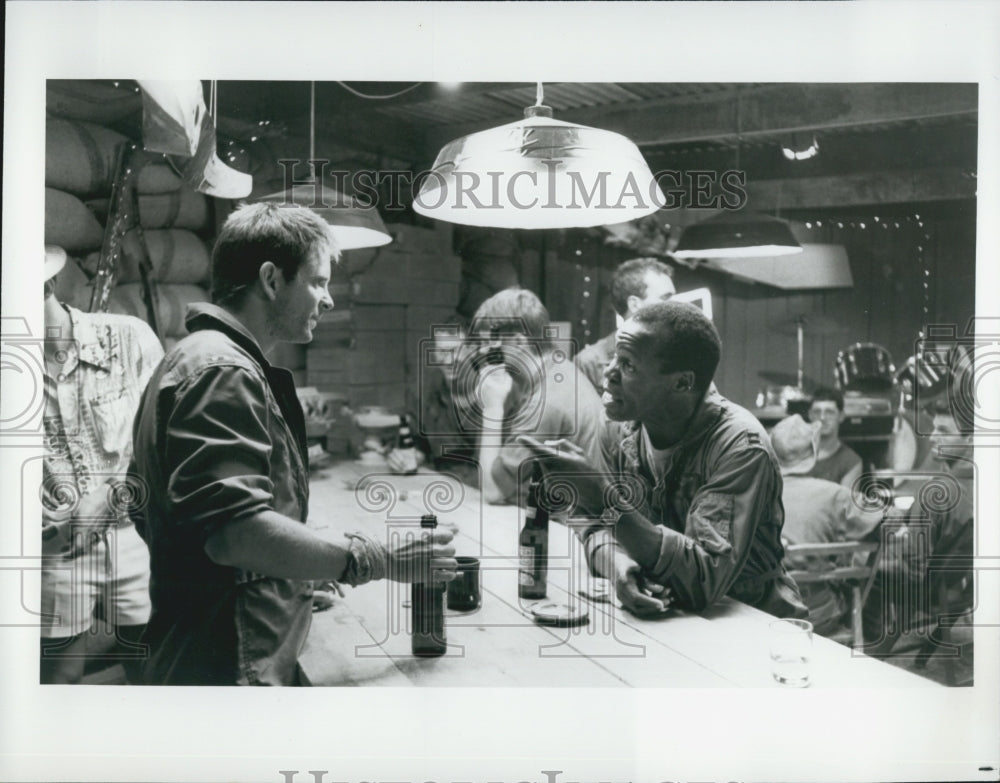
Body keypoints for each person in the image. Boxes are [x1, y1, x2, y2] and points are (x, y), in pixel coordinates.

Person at [129, 203, 457, 685]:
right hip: (228, 662)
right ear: (271, 280)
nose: (327, 300)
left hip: (216, 643)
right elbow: (235, 533)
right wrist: (377, 558)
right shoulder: (224, 372)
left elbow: (161, 510)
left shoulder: (197, 358)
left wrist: (284, 577)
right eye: (318, 281)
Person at [522, 300, 806, 619]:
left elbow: (704, 578)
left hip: (753, 626)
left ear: (682, 383)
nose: (609, 372)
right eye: (615, 356)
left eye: (629, 365)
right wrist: (618, 564)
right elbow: (592, 524)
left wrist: (604, 499)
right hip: (672, 619)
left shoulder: (739, 444)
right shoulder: (617, 427)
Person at [40, 245, 164, 684]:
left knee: (150, 664)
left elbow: (164, 444)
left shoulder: (129, 338)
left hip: (138, 532)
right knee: (59, 678)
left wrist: (112, 495)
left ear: (48, 286)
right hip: (56, 547)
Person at [471, 287, 606, 506]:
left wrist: (492, 408)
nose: (482, 355)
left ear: (517, 341)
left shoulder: (546, 400)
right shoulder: (558, 372)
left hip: (572, 530)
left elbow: (492, 490)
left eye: (488, 345)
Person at [863, 397, 974, 649]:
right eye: (934, 428)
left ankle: (870, 651)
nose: (932, 437)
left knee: (861, 573)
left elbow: (914, 566)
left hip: (929, 591)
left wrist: (883, 556)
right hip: (963, 587)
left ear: (970, 440)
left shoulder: (936, 492)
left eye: (944, 431)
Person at [771, 414, 883, 637]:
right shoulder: (834, 495)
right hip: (818, 613)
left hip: (762, 612)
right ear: (813, 452)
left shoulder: (757, 490)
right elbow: (884, 521)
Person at [574, 257, 675, 394]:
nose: (676, 305)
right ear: (634, 304)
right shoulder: (589, 363)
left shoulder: (680, 352)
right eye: (665, 298)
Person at [806, 386, 863, 488]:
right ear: (810, 415)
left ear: (841, 416)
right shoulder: (794, 454)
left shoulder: (851, 462)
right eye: (817, 412)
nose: (822, 418)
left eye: (830, 412)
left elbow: (845, 502)